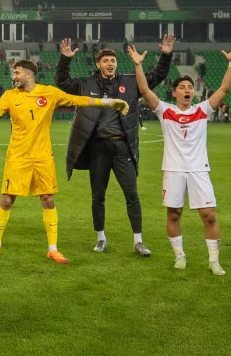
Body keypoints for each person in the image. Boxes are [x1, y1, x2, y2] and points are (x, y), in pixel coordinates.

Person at [0, 59, 129, 264]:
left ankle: (53, 249)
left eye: (17, 73)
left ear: (29, 74)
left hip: (43, 157)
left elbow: (77, 100)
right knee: (7, 200)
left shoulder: (49, 93)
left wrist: (107, 102)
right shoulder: (9, 96)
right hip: (17, 156)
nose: (14, 77)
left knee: (48, 200)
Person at [56, 36, 173, 256]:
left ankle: (138, 241)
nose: (110, 63)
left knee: (132, 194)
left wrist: (165, 55)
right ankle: (101, 239)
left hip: (122, 148)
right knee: (98, 196)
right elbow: (62, 82)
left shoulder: (130, 82)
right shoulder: (86, 84)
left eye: (113, 60)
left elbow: (157, 76)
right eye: (106, 60)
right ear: (98, 64)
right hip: (97, 149)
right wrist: (65, 59)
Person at [131, 42, 231, 276]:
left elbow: (224, 89)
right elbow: (144, 91)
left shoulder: (203, 109)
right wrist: (138, 66)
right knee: (173, 214)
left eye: (190, 86)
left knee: (208, 215)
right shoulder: (165, 110)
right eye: (182, 87)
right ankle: (179, 256)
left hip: (199, 169)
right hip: (173, 169)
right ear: (175, 92)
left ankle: (214, 260)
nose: (187, 89)